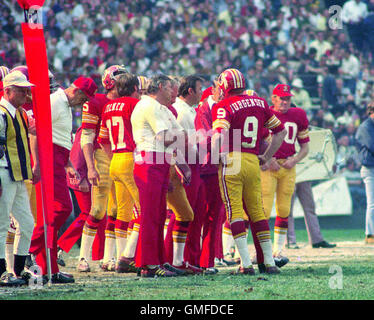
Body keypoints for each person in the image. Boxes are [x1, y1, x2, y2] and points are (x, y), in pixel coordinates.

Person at [211, 68, 287, 275]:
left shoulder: (223, 105)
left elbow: (219, 135)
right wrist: (268, 156)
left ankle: (245, 263)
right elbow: (281, 131)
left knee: (235, 211)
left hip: (232, 159)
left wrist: (213, 157)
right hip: (253, 160)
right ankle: (269, 262)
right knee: (257, 211)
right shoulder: (260, 102)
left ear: (225, 86)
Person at [29, 76, 97, 284]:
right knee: (61, 209)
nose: (84, 103)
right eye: (84, 99)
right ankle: (30, 250)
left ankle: (49, 267)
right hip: (48, 157)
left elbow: (58, 135)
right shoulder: (55, 102)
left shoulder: (64, 105)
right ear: (76, 91)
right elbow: (35, 132)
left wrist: (67, 164)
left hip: (57, 158)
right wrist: (37, 164)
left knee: (50, 216)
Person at [131, 75, 189, 277]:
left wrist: (181, 137)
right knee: (150, 215)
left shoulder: (160, 107)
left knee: (158, 214)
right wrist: (182, 137)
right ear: (161, 86)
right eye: (171, 88)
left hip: (159, 161)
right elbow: (168, 137)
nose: (174, 92)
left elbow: (180, 133)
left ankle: (158, 260)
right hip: (150, 161)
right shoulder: (150, 106)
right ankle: (148, 263)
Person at [77, 65, 127, 272]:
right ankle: (82, 257)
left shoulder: (127, 102)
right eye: (122, 79)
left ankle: (109, 257)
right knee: (98, 209)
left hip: (121, 156)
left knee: (115, 210)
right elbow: (86, 137)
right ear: (111, 82)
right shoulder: (96, 101)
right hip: (101, 156)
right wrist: (90, 167)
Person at [97, 72, 141, 273]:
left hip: (115, 159)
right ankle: (127, 256)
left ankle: (121, 259)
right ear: (134, 88)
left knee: (122, 212)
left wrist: (115, 155)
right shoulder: (135, 105)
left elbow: (102, 140)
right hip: (131, 159)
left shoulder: (108, 107)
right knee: (144, 209)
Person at [260, 84, 310, 260]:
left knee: (284, 209)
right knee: (264, 209)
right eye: (282, 98)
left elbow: (305, 147)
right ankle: (262, 251)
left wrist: (295, 159)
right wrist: (268, 158)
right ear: (273, 98)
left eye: (288, 98)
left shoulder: (298, 115)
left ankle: (278, 250)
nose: (285, 102)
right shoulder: (265, 113)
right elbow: (257, 140)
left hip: (288, 166)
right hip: (268, 167)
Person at [163, 75, 205, 274]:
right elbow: (177, 143)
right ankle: (171, 258)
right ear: (190, 91)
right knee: (181, 212)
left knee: (191, 213)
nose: (202, 92)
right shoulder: (180, 111)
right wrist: (180, 166)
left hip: (193, 163)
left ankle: (185, 259)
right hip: (185, 164)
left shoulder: (189, 110)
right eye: (200, 88)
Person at [0, 71, 36, 286]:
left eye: (26, 89)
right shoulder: (2, 112)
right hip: (4, 171)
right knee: (2, 223)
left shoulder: (18, 112)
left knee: (27, 223)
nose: (26, 92)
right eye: (21, 89)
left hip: (17, 173)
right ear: (7, 91)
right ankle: (2, 272)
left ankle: (19, 269)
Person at [287, 181, 337, 249]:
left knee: (310, 208)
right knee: (287, 211)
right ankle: (290, 242)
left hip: (303, 177)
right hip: (288, 175)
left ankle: (316, 240)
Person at [355, 101, 374, 244]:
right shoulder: (365, 127)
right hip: (369, 168)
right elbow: (372, 145)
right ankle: (370, 234)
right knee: (372, 203)